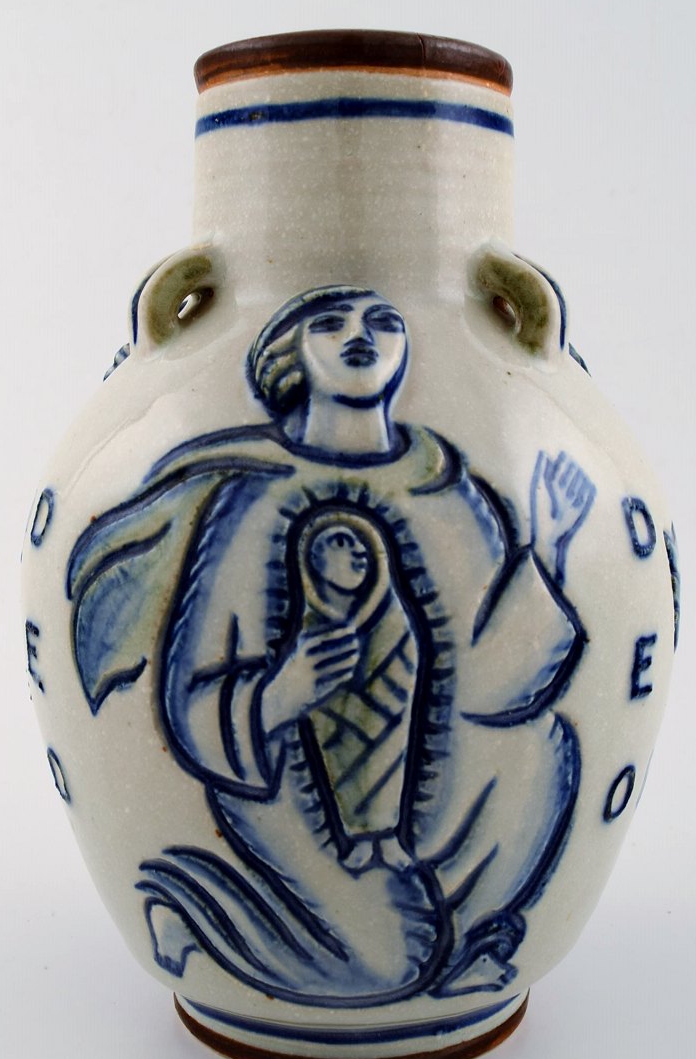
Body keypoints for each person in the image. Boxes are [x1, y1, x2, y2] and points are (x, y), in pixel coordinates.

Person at [68, 286, 595, 1005]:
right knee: (389, 966)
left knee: (544, 758)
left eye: (383, 320)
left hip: (436, 779)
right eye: (328, 321)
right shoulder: (252, 496)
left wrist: (552, 546)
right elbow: (190, 690)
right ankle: (192, 910)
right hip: (289, 781)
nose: (361, 336)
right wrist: (278, 693)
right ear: (291, 355)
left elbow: (494, 676)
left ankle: (460, 956)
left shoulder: (443, 484)